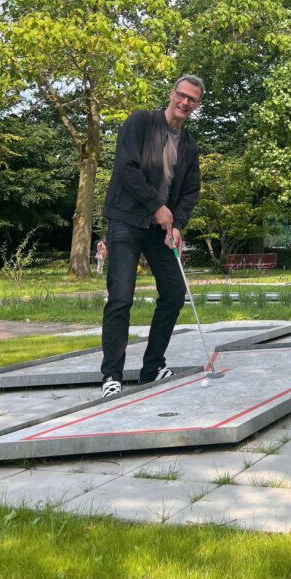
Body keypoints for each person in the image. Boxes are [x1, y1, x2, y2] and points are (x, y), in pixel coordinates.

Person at [99, 75, 204, 398]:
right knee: (121, 297)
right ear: (171, 95)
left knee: (174, 292)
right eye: (182, 96)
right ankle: (111, 376)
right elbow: (126, 169)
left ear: (197, 106)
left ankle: (152, 367)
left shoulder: (188, 146)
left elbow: (189, 192)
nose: (185, 103)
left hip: (161, 230)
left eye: (192, 100)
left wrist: (177, 224)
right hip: (126, 221)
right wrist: (156, 205)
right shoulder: (140, 122)